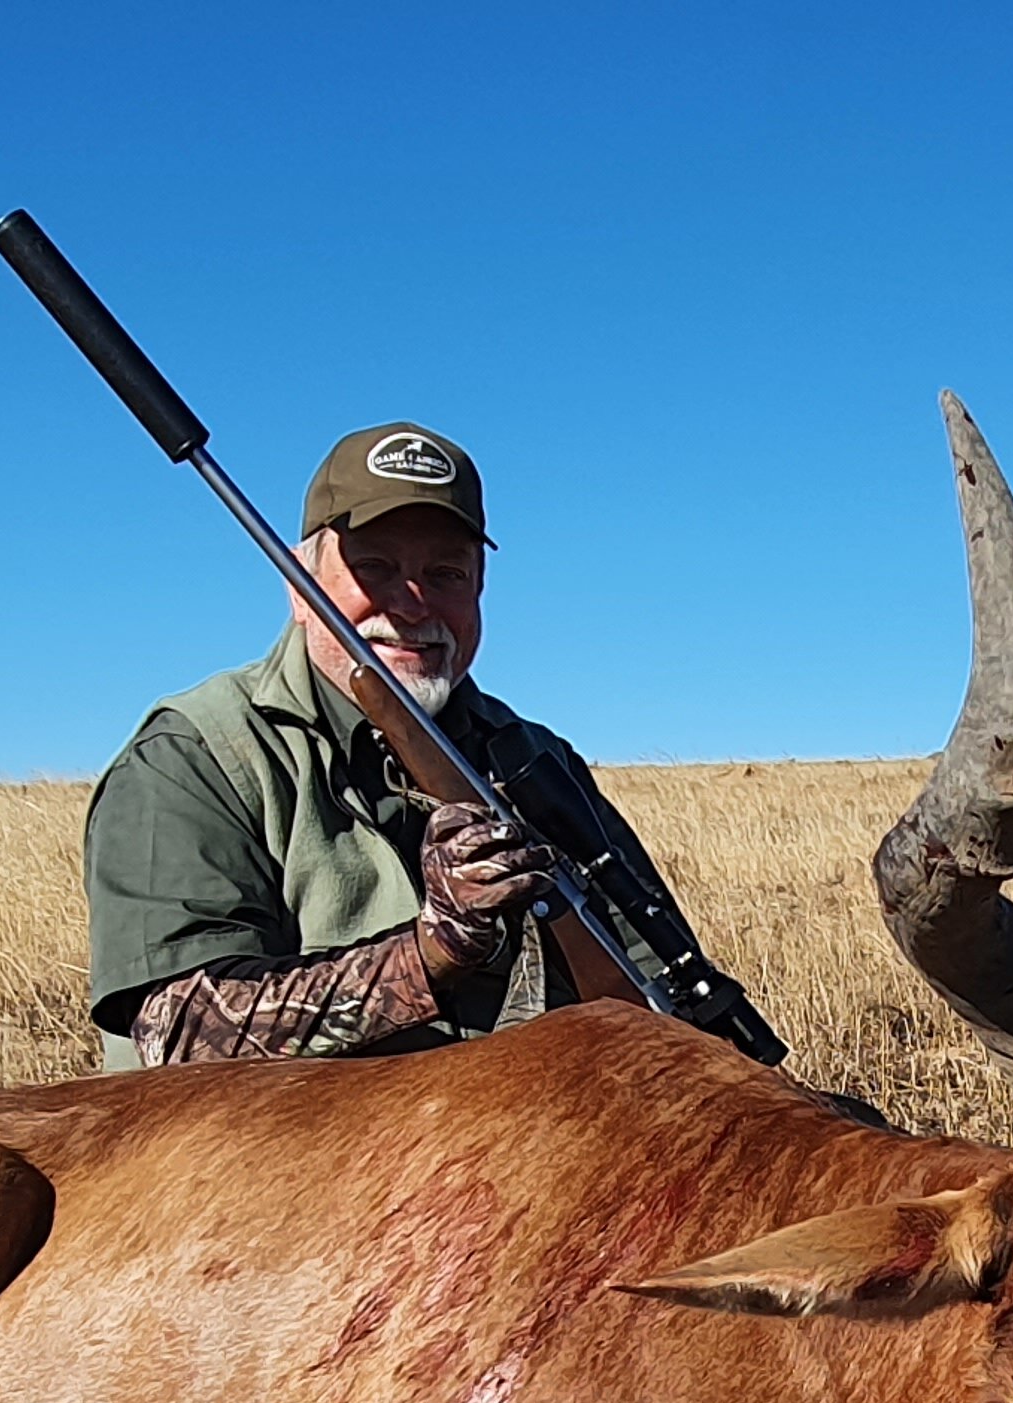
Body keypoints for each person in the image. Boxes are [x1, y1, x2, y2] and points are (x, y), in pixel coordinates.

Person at [82, 421, 715, 1069]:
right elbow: (179, 1032)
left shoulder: (535, 757)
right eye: (376, 568)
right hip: (284, 1159)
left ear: (480, 589)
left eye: (445, 573)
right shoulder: (193, 755)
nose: (413, 604)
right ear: (299, 589)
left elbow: (656, 975)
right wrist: (434, 952)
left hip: (521, 1143)